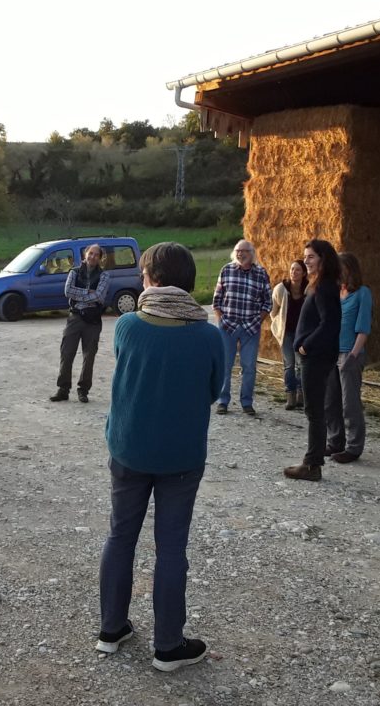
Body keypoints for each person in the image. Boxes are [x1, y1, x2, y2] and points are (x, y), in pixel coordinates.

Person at [97, 242, 224, 670]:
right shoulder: (209, 335)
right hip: (181, 456)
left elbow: (126, 370)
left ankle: (111, 629)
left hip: (128, 448)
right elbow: (213, 390)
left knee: (120, 537)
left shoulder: (127, 325)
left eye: (143, 274)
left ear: (152, 279)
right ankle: (168, 646)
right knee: (171, 548)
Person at [284, 239, 341, 482]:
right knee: (315, 409)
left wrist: (306, 344)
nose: (305, 261)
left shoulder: (325, 287)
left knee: (314, 411)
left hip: (316, 357)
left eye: (311, 257)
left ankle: (312, 465)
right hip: (316, 356)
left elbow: (329, 324)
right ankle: (313, 462)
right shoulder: (320, 285)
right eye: (305, 256)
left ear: (323, 259)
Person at [213, 240, 272, 416]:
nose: (240, 253)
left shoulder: (261, 273)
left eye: (244, 251)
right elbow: (217, 300)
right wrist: (220, 320)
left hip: (250, 328)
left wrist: (257, 321)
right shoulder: (226, 270)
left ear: (252, 253)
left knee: (249, 367)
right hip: (228, 326)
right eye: (237, 250)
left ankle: (246, 402)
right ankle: (223, 401)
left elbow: (268, 303)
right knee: (225, 366)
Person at [324, 252, 372, 464]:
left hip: (349, 354)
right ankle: (336, 442)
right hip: (331, 354)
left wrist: (352, 355)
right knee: (330, 401)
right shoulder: (336, 293)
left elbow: (363, 328)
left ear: (350, 269)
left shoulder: (362, 293)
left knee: (349, 403)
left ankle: (353, 448)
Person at [49, 244, 109, 403]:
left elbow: (99, 296)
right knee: (67, 353)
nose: (93, 256)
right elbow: (67, 291)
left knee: (89, 357)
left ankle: (83, 390)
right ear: (85, 254)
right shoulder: (74, 272)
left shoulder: (104, 275)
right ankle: (63, 389)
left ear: (100, 258)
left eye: (96, 255)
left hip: (93, 320)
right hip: (75, 317)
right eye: (91, 253)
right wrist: (87, 292)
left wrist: (80, 294)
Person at [270, 260, 308, 409]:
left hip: (302, 334)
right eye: (292, 269)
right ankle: (290, 395)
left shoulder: (308, 290)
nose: (293, 272)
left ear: (304, 273)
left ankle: (301, 394)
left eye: (297, 270)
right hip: (287, 333)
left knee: (301, 364)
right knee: (289, 364)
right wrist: (278, 326)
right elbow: (273, 311)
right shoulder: (281, 289)